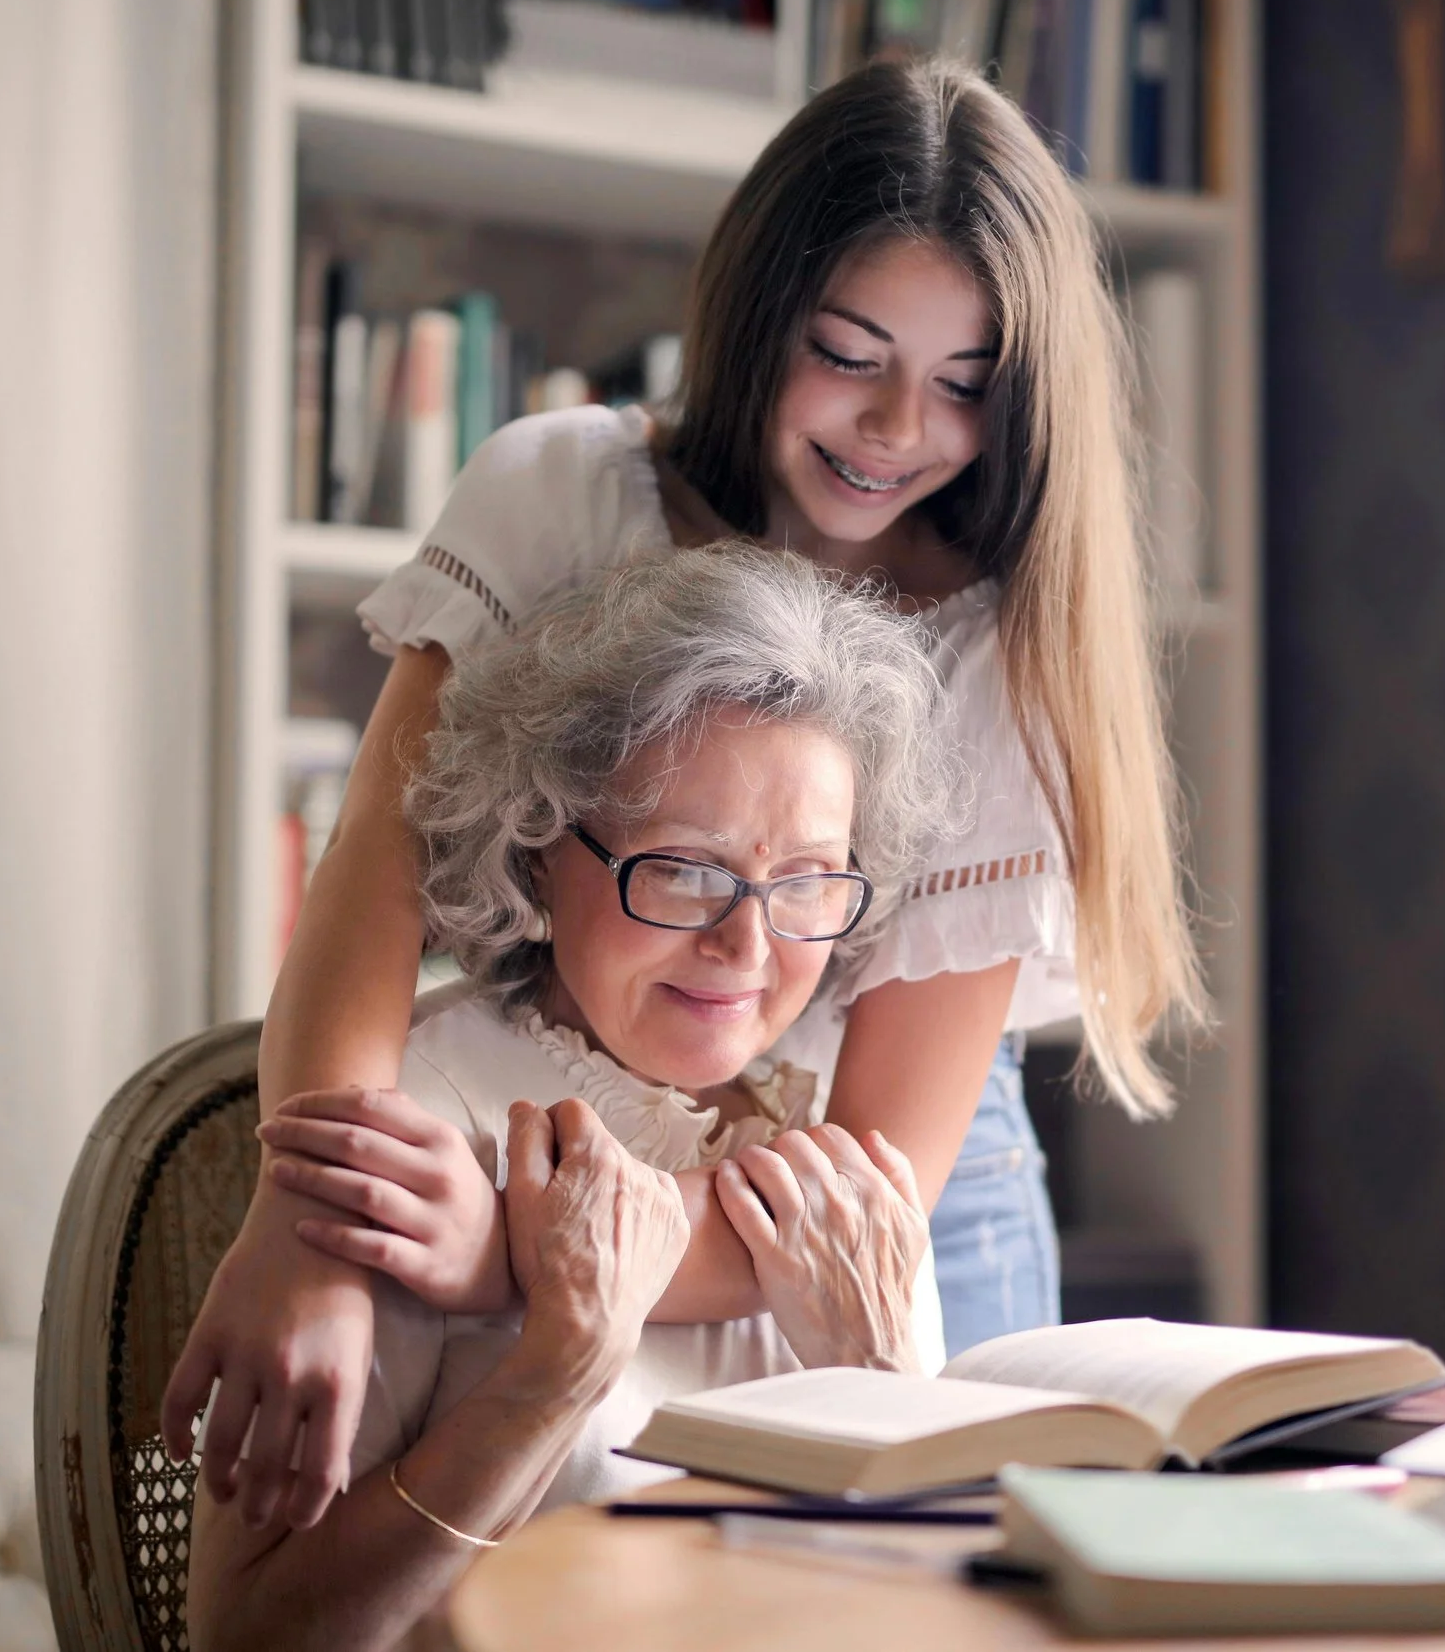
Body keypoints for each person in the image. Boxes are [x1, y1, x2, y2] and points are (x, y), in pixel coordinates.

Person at [166, 56, 1210, 1533]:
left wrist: (500, 1256)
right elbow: (369, 896)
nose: (898, 427)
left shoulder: (998, 645)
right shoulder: (562, 495)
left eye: (966, 385)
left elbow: (881, 1170)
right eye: (849, 352)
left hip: (880, 1196)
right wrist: (310, 1226)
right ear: (757, 313)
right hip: (563, 1119)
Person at [186, 545, 954, 1650]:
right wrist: (550, 1378)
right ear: (542, 848)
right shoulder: (411, 1125)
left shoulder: (842, 1174)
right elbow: (246, 1633)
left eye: (804, 883)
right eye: (686, 867)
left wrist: (879, 1381)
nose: (748, 943)